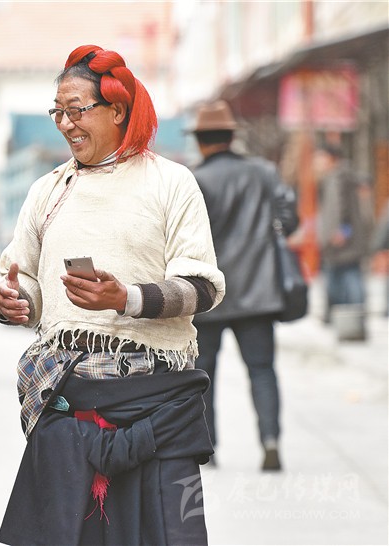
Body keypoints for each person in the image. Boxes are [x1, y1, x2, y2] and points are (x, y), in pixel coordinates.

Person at [0, 45, 225, 545]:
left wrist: (126, 298)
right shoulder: (48, 191)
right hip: (69, 405)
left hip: (156, 405)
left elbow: (203, 288)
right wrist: (12, 301)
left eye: (77, 110)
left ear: (117, 110)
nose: (65, 124)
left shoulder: (171, 182)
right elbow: (23, 277)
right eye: (58, 112)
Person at [189, 99, 299, 472]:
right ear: (232, 136)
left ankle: (207, 449)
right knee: (262, 369)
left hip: (209, 295)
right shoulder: (264, 173)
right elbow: (290, 220)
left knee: (203, 375)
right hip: (259, 293)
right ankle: (270, 441)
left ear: (200, 140)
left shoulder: (194, 180)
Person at [315, 142, 374, 334]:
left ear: (331, 158)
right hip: (341, 242)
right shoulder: (337, 177)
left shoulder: (340, 177)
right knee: (341, 281)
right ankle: (345, 321)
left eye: (320, 157)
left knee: (349, 281)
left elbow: (343, 208)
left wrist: (343, 231)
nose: (317, 162)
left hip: (342, 243)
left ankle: (351, 322)